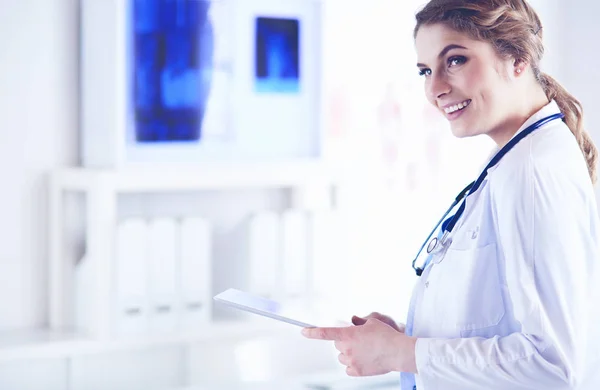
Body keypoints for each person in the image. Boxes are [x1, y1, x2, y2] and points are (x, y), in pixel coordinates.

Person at [301, 1, 600, 389]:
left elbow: (553, 366)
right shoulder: (514, 159)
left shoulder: (532, 170)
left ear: (518, 58)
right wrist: (405, 338)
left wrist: (402, 353)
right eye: (426, 70)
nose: (435, 88)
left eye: (455, 60)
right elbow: (500, 322)